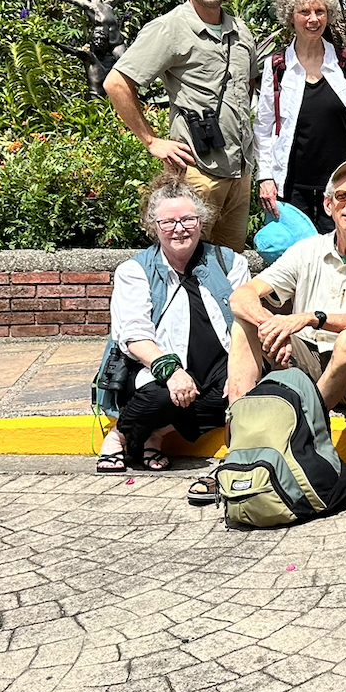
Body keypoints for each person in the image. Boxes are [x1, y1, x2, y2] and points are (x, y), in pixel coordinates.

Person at [225, 160, 346, 489]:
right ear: (328, 205)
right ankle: (239, 442)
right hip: (305, 358)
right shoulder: (307, 250)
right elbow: (242, 296)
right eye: (342, 196)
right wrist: (272, 327)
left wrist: (310, 318)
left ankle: (298, 432)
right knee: (244, 323)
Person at [98, 176, 250, 495]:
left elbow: (243, 323)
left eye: (188, 220)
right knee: (163, 395)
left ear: (201, 221)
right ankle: (120, 436)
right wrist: (171, 371)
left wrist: (239, 371)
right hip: (154, 366)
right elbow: (133, 335)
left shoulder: (231, 263)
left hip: (216, 367)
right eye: (168, 222)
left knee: (245, 393)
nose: (179, 229)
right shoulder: (135, 271)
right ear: (154, 226)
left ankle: (158, 433)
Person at [105, 0, 257, 250]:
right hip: (196, 172)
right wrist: (151, 141)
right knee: (185, 259)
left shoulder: (241, 31)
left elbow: (249, 86)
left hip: (239, 174)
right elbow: (116, 83)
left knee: (231, 262)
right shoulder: (169, 28)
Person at [254, 0, 346, 233]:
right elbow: (264, 127)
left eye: (320, 11)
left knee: (341, 248)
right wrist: (265, 177)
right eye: (304, 12)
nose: (313, 19)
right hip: (292, 186)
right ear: (291, 16)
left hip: (341, 186)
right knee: (294, 250)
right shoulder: (277, 66)